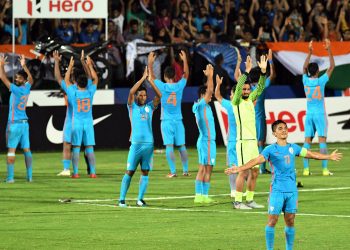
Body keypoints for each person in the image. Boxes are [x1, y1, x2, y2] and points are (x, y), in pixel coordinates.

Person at [225, 119, 342, 250]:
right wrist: (239, 168)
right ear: (274, 133)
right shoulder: (270, 150)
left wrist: (328, 157)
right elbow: (256, 160)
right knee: (272, 221)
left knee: (290, 221)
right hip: (277, 191)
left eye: (285, 128)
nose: (284, 130)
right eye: (280, 128)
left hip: (292, 191)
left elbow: (310, 154)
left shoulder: (294, 148)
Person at [119, 65, 161, 207]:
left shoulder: (150, 107)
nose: (143, 97)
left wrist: (151, 81)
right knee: (129, 171)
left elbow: (159, 96)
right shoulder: (132, 107)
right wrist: (143, 78)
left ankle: (140, 199)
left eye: (144, 95)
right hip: (135, 145)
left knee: (145, 172)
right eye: (140, 95)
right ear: (137, 96)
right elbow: (131, 91)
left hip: (149, 145)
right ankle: (121, 200)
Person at [231, 54, 267, 209]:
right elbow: (238, 87)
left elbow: (260, 88)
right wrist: (245, 72)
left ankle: (250, 200)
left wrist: (263, 73)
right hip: (243, 142)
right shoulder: (236, 101)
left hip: (252, 142)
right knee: (243, 172)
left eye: (247, 88)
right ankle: (238, 202)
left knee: (255, 172)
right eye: (244, 89)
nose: (246, 90)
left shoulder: (250, 101)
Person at [148, 50, 190, 177]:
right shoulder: (179, 85)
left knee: (169, 146)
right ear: (174, 75)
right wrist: (185, 60)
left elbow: (151, 77)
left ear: (165, 76)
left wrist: (150, 63)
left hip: (166, 121)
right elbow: (186, 74)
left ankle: (173, 172)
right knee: (182, 146)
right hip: (178, 120)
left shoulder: (162, 86)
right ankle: (186, 171)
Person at [54, 51, 92, 177]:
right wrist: (84, 63)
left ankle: (68, 169)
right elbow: (90, 77)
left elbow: (59, 78)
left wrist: (56, 62)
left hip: (72, 120)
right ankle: (89, 169)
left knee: (69, 145)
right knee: (85, 146)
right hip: (78, 120)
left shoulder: (70, 88)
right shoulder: (84, 88)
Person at [60, 55, 98, 178]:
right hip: (88, 123)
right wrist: (89, 65)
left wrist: (70, 66)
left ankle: (75, 173)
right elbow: (95, 78)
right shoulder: (90, 91)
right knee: (89, 148)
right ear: (87, 83)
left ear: (76, 83)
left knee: (76, 148)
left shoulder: (74, 92)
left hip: (76, 122)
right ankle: (92, 172)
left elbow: (66, 81)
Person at [302, 39, 335, 176]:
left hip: (309, 114)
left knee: (307, 142)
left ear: (309, 71)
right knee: (322, 141)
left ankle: (305, 170)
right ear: (318, 71)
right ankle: (325, 169)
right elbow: (332, 66)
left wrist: (309, 53)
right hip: (320, 114)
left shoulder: (304, 80)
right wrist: (329, 50)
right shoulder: (321, 81)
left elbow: (304, 67)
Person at [0, 55, 33, 182]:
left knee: (11, 150)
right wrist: (24, 65)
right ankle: (29, 177)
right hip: (25, 124)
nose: (16, 79)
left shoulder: (16, 89)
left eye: (19, 78)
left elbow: (2, 77)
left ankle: (10, 178)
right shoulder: (26, 88)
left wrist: (1, 64)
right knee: (26, 150)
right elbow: (31, 79)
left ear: (22, 81)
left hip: (14, 124)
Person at [193, 64, 216, 204]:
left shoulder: (207, 106)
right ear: (202, 95)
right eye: (208, 94)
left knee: (208, 168)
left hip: (209, 142)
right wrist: (210, 77)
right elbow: (210, 90)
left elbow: (210, 91)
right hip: (205, 141)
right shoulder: (199, 105)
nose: (211, 95)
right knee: (204, 168)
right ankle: (199, 195)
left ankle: (203, 196)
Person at [214, 75, 238, 198]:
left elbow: (217, 96)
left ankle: (235, 189)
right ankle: (235, 190)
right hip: (236, 141)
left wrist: (218, 84)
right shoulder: (233, 105)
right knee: (237, 166)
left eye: (233, 93)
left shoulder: (233, 105)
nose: (231, 96)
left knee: (237, 167)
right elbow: (217, 96)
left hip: (237, 142)